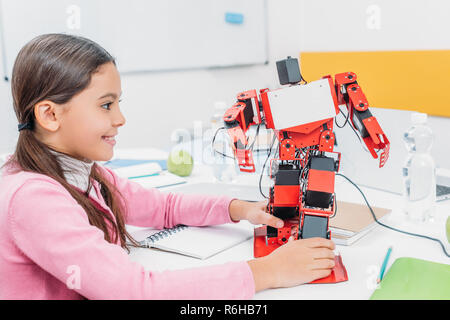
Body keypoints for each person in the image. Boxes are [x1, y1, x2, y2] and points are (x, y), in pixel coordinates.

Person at [0, 33, 336, 300]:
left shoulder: (84, 173)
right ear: (49, 115)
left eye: (118, 103)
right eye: (106, 105)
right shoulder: (34, 198)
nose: (120, 118)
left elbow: (163, 207)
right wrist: (267, 272)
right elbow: (133, 291)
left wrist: (238, 209)